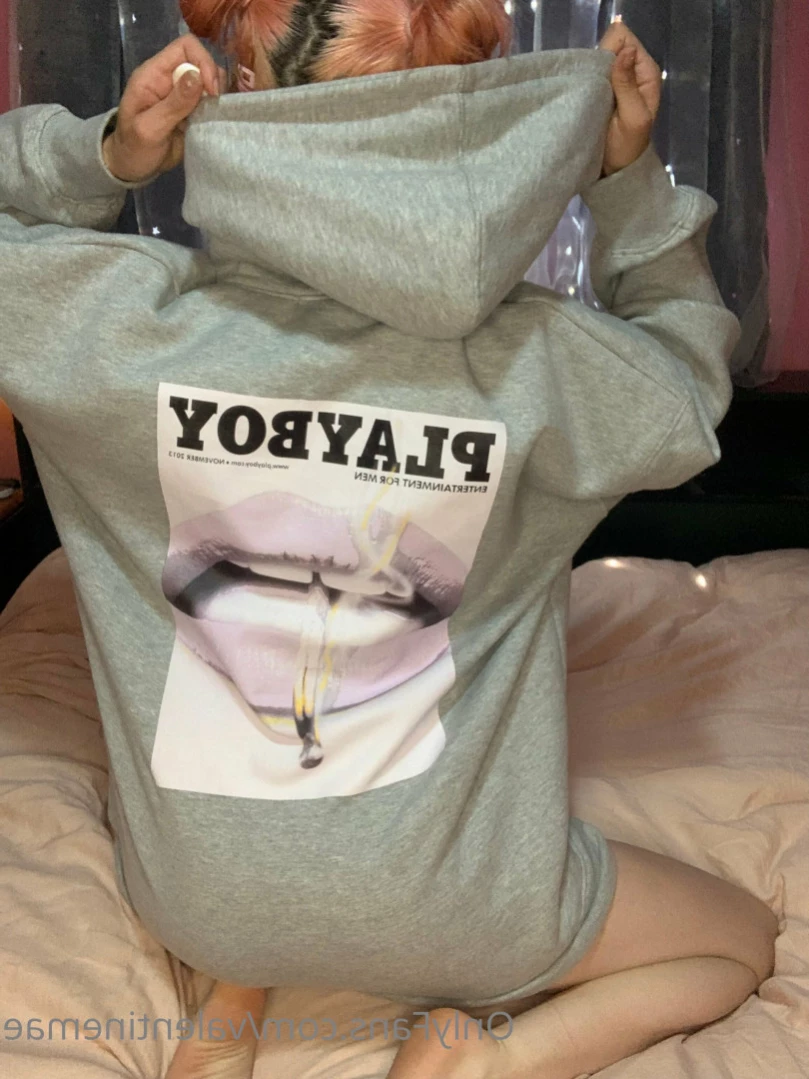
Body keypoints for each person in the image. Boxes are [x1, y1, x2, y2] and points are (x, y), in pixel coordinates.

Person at [0, 3, 779, 1078]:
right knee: (737, 942)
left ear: (239, 93)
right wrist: (625, 180)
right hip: (465, 911)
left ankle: (240, 982)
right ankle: (487, 1062)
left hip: (199, 899)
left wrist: (107, 152)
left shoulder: (108, 327)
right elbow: (688, 373)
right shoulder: (546, 367)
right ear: (478, 108)